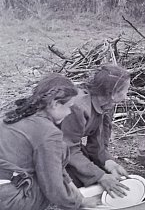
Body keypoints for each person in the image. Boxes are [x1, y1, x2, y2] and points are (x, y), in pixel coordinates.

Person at [0, 74, 96, 210]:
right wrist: (78, 203)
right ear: (55, 104)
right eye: (69, 106)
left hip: (5, 183)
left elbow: (57, 168)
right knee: (48, 186)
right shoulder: (49, 133)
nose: (69, 112)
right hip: (8, 199)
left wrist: (74, 190)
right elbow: (53, 186)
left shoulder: (15, 115)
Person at [61, 64, 131, 197]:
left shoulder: (106, 104)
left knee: (97, 176)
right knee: (78, 184)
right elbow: (67, 147)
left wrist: (108, 162)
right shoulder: (79, 107)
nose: (126, 96)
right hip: (48, 149)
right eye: (125, 91)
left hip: (65, 146)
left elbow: (98, 142)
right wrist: (100, 176)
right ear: (112, 93)